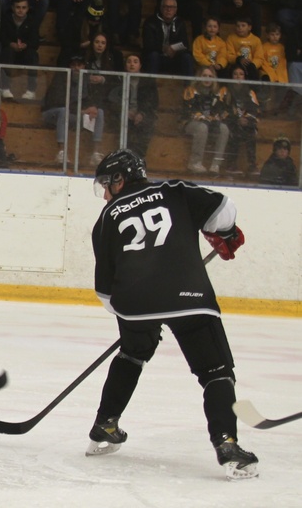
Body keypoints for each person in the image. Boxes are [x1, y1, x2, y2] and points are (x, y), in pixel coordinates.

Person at [88, 148, 259, 481]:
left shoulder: (107, 218)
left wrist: (134, 315)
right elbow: (224, 209)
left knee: (131, 354)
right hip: (189, 296)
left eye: (107, 184)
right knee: (216, 372)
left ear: (122, 179)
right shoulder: (173, 191)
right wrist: (222, 233)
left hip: (133, 303)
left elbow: (105, 291)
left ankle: (104, 425)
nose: (105, 194)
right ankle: (227, 444)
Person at [41, 54, 105, 164]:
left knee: (100, 112)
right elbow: (58, 101)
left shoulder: (87, 80)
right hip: (52, 113)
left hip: (75, 115)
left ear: (84, 67)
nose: (76, 68)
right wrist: (81, 111)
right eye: (74, 65)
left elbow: (95, 98)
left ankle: (95, 153)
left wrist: (93, 107)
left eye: (79, 65)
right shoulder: (61, 78)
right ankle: (61, 152)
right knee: (63, 111)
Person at [182, 66, 229, 173]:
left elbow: (221, 110)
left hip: (211, 122)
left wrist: (214, 118)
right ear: (199, 77)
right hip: (191, 122)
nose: (207, 79)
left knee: (224, 128)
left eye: (210, 76)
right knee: (202, 127)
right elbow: (188, 110)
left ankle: (216, 165)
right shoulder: (190, 90)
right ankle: (194, 163)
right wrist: (202, 117)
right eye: (204, 76)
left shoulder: (218, 93)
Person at [0, 0, 40, 101]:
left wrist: (26, 45)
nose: (20, 10)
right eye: (18, 7)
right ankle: (5, 88)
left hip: (25, 52)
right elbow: (1, 36)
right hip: (10, 50)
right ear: (13, 8)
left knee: (33, 54)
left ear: (28, 8)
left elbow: (35, 41)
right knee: (6, 53)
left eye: (23, 7)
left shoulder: (32, 21)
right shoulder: (5, 19)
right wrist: (11, 44)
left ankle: (31, 91)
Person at [142, 0, 194, 76]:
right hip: (157, 57)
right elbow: (148, 44)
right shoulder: (150, 22)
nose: (169, 9)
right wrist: (164, 49)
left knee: (187, 57)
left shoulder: (180, 23)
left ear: (176, 10)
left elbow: (185, 44)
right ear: (161, 8)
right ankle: (150, 86)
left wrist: (173, 49)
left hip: (174, 57)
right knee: (153, 56)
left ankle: (190, 87)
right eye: (166, 6)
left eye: (172, 7)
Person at [221, 65, 259, 175]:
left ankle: (252, 165)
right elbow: (220, 108)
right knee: (235, 132)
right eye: (235, 74)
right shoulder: (225, 90)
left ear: (245, 77)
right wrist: (236, 119)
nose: (238, 77)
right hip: (229, 121)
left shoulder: (250, 92)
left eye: (241, 74)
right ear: (231, 76)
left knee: (251, 132)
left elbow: (255, 109)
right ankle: (231, 165)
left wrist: (246, 119)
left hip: (246, 122)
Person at [120, 54, 158, 159]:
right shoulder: (120, 79)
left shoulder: (148, 81)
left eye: (135, 62)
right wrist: (125, 111)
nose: (132, 64)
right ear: (125, 65)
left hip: (143, 113)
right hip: (124, 113)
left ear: (140, 65)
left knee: (147, 123)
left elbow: (153, 101)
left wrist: (142, 113)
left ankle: (139, 157)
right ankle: (125, 155)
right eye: (129, 61)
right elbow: (113, 100)